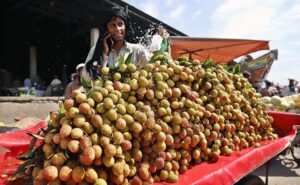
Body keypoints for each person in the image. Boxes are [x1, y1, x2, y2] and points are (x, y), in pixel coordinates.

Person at [83, 7, 168, 79]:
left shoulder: (137, 50)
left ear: (125, 27)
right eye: (112, 25)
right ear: (107, 29)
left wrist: (162, 42)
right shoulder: (95, 51)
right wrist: (104, 55)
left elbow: (153, 68)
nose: (117, 29)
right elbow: (86, 78)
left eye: (120, 24)